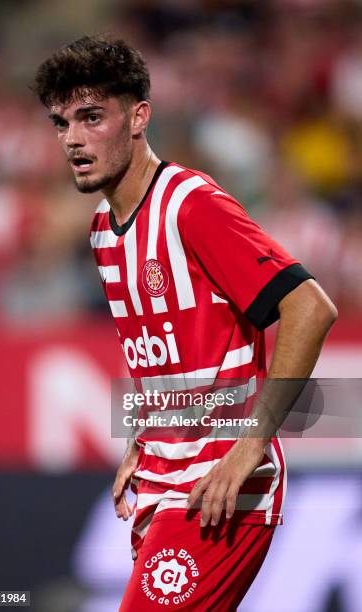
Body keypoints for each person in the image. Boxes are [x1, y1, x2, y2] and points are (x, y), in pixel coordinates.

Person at [33, 36, 337, 611]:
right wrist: (138, 439)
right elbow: (162, 357)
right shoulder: (103, 230)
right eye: (61, 122)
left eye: (92, 117)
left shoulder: (191, 204)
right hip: (163, 481)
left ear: (139, 116)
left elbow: (310, 307)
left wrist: (252, 446)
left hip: (220, 488)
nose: (73, 139)